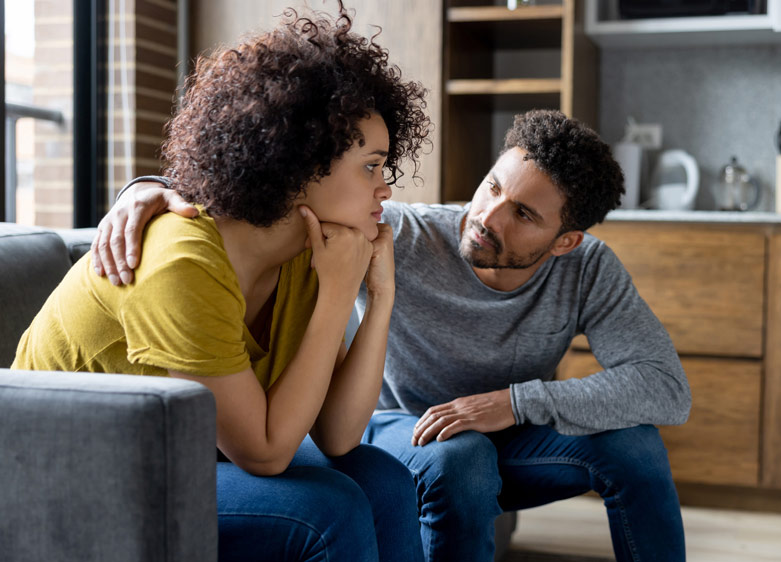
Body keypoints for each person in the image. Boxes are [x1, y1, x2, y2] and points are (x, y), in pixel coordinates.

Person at [96, 110, 693, 561]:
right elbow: (258, 192)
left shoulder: (589, 269)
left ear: (566, 242)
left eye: (525, 215)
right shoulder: (403, 235)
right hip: (402, 429)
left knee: (635, 447)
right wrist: (144, 189)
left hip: (511, 433)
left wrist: (512, 404)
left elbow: (666, 388)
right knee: (461, 457)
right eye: (492, 188)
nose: (489, 216)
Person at [12, 6, 430, 562]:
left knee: (386, 481)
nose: (385, 191)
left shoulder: (309, 256)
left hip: (180, 452)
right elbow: (265, 453)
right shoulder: (181, 260)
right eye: (371, 167)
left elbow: (339, 435)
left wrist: (379, 300)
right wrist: (336, 295)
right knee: (328, 511)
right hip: (64, 470)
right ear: (300, 162)